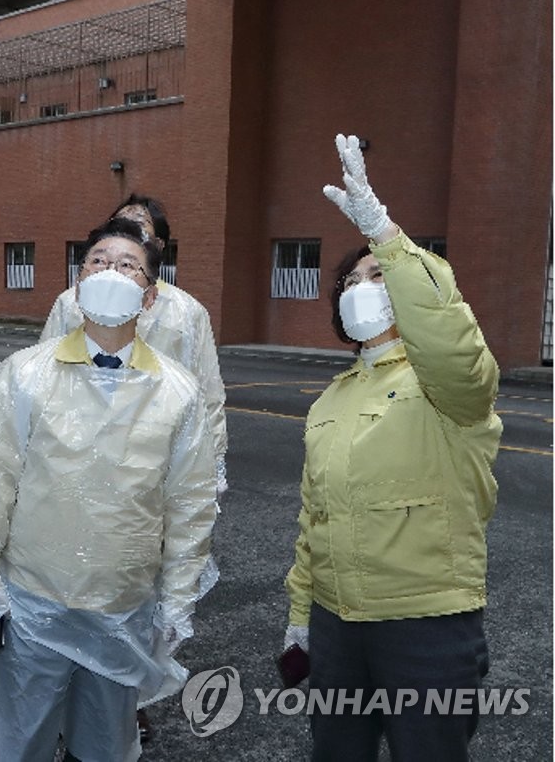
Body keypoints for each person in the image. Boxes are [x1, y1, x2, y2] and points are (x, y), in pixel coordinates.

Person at [0, 217, 220, 762]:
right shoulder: (24, 374)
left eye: (128, 265)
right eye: (98, 261)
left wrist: (177, 601)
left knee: (102, 746)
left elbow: (190, 504)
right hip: (34, 602)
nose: (110, 271)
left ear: (149, 298)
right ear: (77, 287)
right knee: (22, 740)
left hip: (123, 606)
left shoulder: (178, 391)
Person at [282, 135, 502, 761]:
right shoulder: (330, 400)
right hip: (335, 624)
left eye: (378, 276)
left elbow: (451, 341)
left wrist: (385, 234)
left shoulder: (445, 383)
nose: (363, 284)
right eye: (352, 278)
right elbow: (313, 518)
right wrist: (302, 613)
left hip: (426, 625)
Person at [40, 195, 229, 741]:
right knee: (76, 577)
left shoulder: (185, 312)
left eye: (137, 233)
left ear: (156, 249)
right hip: (82, 467)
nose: (122, 244)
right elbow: (42, 378)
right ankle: (71, 693)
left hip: (156, 472)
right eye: (108, 244)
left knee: (143, 589)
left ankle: (129, 698)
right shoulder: (69, 303)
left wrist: (211, 469)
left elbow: (208, 396)